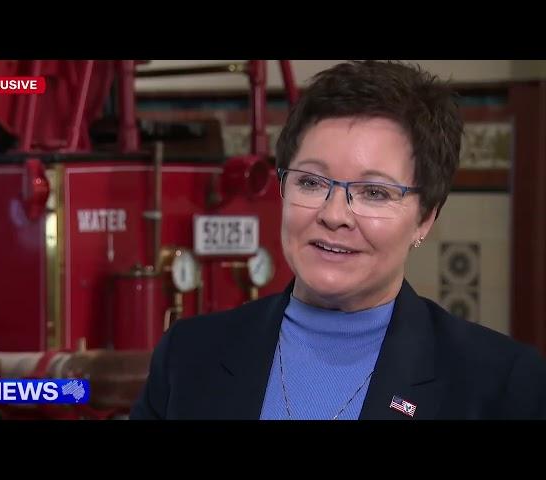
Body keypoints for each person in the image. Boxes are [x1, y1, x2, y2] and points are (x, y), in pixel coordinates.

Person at [130, 60, 546, 420]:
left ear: (426, 218)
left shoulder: (500, 383)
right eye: (311, 182)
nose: (333, 215)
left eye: (374, 192)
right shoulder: (189, 355)